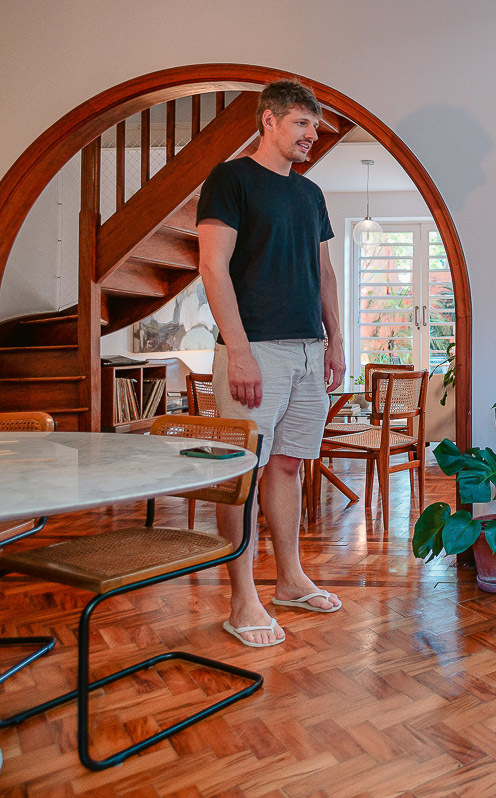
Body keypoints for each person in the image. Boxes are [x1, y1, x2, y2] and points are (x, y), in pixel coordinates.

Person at [197, 79, 347, 647]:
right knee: (241, 473)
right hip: (254, 349)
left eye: (315, 126)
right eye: (302, 124)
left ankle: (289, 579)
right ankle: (242, 598)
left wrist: (335, 342)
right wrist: (238, 350)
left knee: (287, 466)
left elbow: (325, 275)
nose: (313, 135)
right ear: (269, 120)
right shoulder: (230, 180)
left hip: (310, 351)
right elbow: (213, 267)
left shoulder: (310, 196)